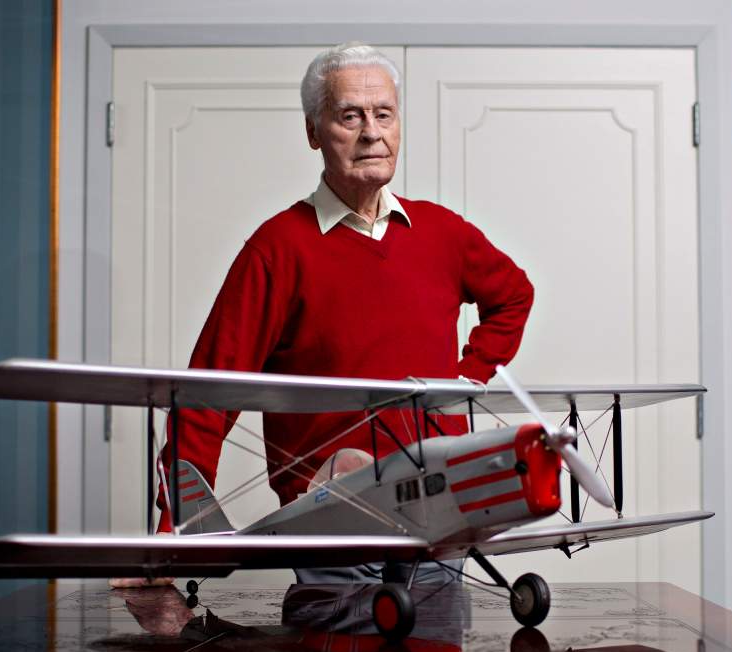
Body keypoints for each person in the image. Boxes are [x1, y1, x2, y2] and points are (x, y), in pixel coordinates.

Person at [153, 42, 533, 561]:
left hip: (437, 518)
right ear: (313, 131)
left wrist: (469, 375)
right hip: (330, 524)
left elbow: (514, 295)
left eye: (384, 114)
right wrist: (173, 529)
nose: (372, 133)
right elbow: (209, 392)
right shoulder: (277, 248)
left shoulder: (444, 232)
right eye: (349, 116)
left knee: (440, 639)